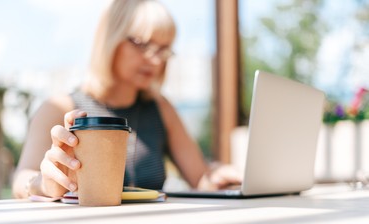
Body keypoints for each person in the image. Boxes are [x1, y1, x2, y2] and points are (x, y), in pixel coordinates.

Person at [12, 0, 241, 199]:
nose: (155, 60)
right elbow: (21, 180)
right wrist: (42, 184)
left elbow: (200, 178)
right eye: (142, 44)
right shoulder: (59, 107)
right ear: (110, 39)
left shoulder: (161, 108)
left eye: (163, 50)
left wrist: (221, 178)